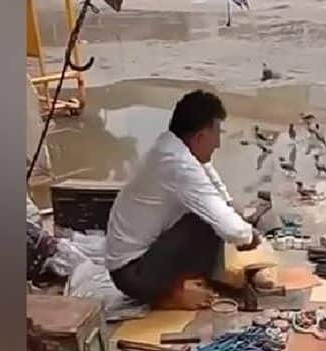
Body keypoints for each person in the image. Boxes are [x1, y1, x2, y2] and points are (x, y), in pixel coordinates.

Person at [105, 90, 261, 309]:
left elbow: (213, 185)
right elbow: (230, 228)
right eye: (216, 134)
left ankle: (201, 278)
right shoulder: (177, 164)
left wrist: (232, 208)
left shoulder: (174, 148)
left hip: (139, 258)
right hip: (132, 272)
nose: (217, 144)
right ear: (200, 137)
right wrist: (249, 237)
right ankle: (170, 295)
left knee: (215, 211)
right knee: (208, 219)